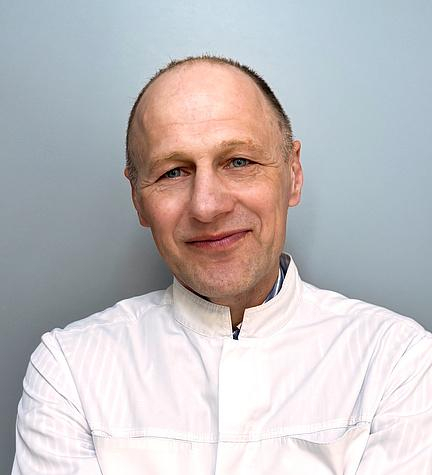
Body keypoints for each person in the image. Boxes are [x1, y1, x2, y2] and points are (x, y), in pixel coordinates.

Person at [13, 55, 432, 475]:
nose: (207, 206)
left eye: (238, 162)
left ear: (293, 173)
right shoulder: (70, 370)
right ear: (138, 198)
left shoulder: (397, 361)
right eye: (173, 172)